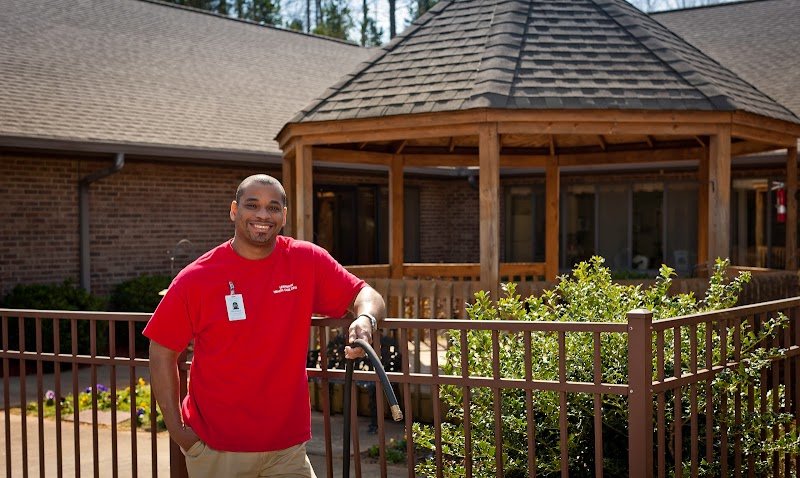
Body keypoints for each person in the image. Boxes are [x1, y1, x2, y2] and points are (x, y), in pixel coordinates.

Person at [144, 174, 386, 478]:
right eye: (252, 205)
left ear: (283, 216)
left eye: (272, 207)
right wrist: (179, 431)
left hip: (287, 450)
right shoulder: (197, 278)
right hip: (218, 450)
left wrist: (365, 319)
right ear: (234, 210)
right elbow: (161, 351)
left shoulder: (305, 260)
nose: (263, 215)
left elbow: (366, 295)